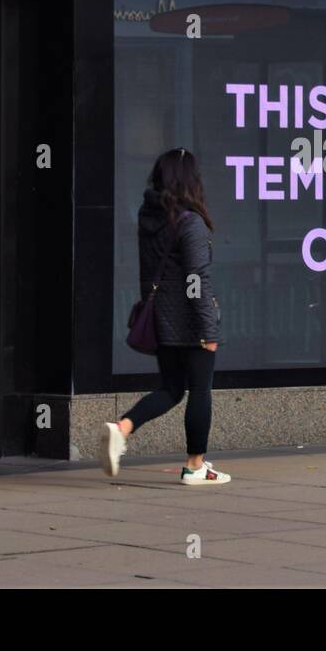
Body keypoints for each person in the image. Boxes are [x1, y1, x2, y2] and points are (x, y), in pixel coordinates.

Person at [100, 147, 229, 485]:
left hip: (160, 319)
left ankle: (121, 428)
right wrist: (207, 328)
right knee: (200, 389)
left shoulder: (150, 218)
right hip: (189, 321)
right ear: (192, 181)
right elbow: (195, 280)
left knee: (172, 389)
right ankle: (195, 465)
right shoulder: (191, 224)